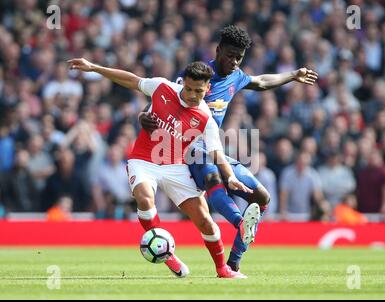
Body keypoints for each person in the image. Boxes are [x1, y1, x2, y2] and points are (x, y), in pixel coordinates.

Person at [138, 25, 319, 272]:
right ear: (218, 50)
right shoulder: (198, 76)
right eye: (230, 55)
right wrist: (145, 114)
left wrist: (293, 75)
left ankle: (233, 265)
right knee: (213, 175)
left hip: (214, 149)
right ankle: (239, 221)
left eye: (239, 57)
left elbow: (262, 82)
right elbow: (166, 98)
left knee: (262, 197)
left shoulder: (236, 76)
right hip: (187, 149)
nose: (234, 61)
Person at [68, 58, 253, 279]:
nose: (193, 95)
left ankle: (223, 269)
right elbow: (132, 80)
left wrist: (230, 177)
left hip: (175, 166)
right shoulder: (162, 87)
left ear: (208, 88)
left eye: (199, 91)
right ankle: (168, 256)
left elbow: (217, 153)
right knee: (145, 199)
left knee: (204, 219)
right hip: (144, 160)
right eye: (189, 89)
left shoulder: (206, 119)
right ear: (183, 82)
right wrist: (95, 67)